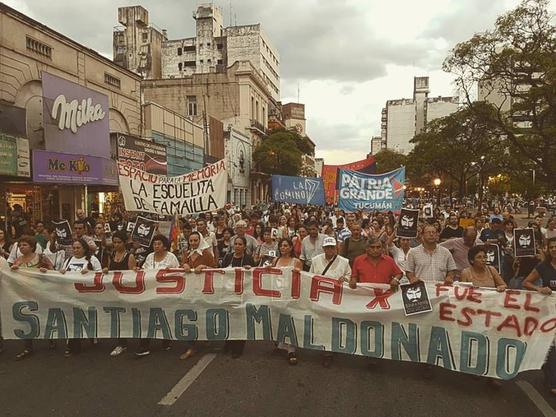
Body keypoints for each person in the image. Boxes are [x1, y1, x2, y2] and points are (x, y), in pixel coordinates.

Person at [310, 236, 352, 368]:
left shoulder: (344, 262)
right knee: (323, 324)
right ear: (323, 248)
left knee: (335, 324)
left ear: (336, 248)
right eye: (327, 247)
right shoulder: (315, 261)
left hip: (337, 299)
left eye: (332, 247)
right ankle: (326, 351)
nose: (330, 250)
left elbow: (349, 276)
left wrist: (344, 279)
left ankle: (332, 348)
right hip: (321, 298)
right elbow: (310, 277)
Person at [10, 236, 54, 360]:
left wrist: (45, 271)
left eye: (24, 245)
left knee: (43, 315)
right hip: (24, 294)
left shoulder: (41, 258)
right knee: (26, 319)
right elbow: (11, 276)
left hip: (40, 292)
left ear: (32, 246)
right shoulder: (18, 261)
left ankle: (50, 338)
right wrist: (12, 270)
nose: (21, 247)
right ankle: (28, 346)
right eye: (20, 245)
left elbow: (53, 271)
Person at [136, 235, 179, 357]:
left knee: (164, 316)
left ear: (164, 245)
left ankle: (166, 340)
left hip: (166, 292)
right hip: (150, 293)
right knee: (147, 318)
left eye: (159, 244)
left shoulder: (171, 257)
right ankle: (144, 344)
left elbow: (177, 273)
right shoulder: (150, 257)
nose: (156, 246)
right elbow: (144, 272)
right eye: (154, 244)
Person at [522, 237, 556, 395]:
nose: (554, 249)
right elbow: (526, 282)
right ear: (548, 250)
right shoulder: (543, 266)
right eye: (551, 247)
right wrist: (539, 289)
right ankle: (551, 379)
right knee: (552, 346)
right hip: (550, 311)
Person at [61, 238, 102, 357]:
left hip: (87, 294)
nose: (75, 250)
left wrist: (90, 272)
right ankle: (73, 345)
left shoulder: (92, 260)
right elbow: (62, 275)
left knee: (87, 317)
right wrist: (61, 272)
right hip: (72, 294)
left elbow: (100, 275)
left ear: (84, 248)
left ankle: (91, 335)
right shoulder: (69, 260)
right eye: (74, 248)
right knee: (73, 319)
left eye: (78, 248)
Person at [179, 232, 217, 360]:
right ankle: (191, 346)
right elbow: (180, 268)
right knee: (190, 316)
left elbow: (215, 269)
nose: (193, 243)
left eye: (196, 240)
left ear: (200, 241)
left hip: (203, 290)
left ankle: (207, 338)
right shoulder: (187, 254)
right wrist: (183, 265)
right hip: (189, 291)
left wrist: (205, 266)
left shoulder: (206, 253)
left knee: (203, 315)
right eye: (191, 241)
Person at [102, 231, 137, 357]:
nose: (116, 245)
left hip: (126, 292)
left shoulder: (130, 257)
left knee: (127, 317)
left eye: (119, 242)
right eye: (114, 242)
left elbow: (133, 276)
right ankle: (121, 343)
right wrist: (106, 270)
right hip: (114, 292)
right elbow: (110, 270)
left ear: (124, 242)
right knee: (117, 318)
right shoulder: (112, 254)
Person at [221, 236, 255, 358]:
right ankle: (228, 342)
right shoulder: (228, 257)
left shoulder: (248, 259)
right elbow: (221, 272)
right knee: (228, 319)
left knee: (240, 321)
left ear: (245, 246)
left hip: (242, 294)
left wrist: (249, 270)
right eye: (235, 244)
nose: (237, 246)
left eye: (240, 244)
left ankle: (238, 347)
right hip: (229, 293)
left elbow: (253, 276)